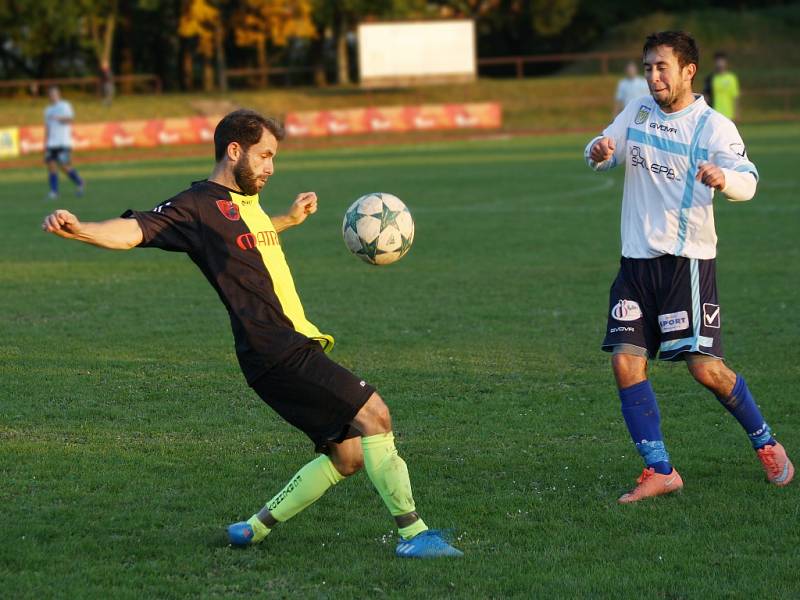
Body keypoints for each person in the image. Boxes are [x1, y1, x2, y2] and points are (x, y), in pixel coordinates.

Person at [41, 109, 462, 558]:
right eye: (264, 156)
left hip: (278, 349)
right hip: (277, 346)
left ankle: (252, 529)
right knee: (375, 415)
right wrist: (82, 229)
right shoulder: (198, 205)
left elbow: (242, 234)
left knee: (349, 456)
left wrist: (286, 220)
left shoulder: (245, 203)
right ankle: (415, 535)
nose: (270, 167)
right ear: (234, 150)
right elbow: (134, 231)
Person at [584, 31, 793, 503]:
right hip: (634, 265)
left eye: (662, 67)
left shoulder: (713, 127)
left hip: (686, 265)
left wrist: (726, 178)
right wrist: (597, 151)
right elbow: (604, 148)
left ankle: (765, 440)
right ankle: (660, 469)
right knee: (625, 361)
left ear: (687, 71)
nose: (653, 76)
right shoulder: (637, 110)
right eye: (648, 67)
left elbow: (749, 182)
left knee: (705, 369)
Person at [44, 86, 84, 200]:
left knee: (64, 167)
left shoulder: (64, 106)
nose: (52, 96)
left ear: (58, 94)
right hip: (51, 143)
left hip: (63, 142)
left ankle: (79, 181)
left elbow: (70, 119)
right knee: (51, 166)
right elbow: (47, 127)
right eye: (50, 95)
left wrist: (59, 118)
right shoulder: (47, 110)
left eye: (54, 94)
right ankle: (54, 192)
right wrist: (46, 143)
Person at [703, 51, 740, 121]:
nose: (719, 64)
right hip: (714, 114)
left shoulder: (732, 78)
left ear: (726, 62)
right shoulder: (710, 78)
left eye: (721, 61)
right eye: (717, 61)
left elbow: (735, 97)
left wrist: (736, 112)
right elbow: (706, 97)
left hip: (729, 115)